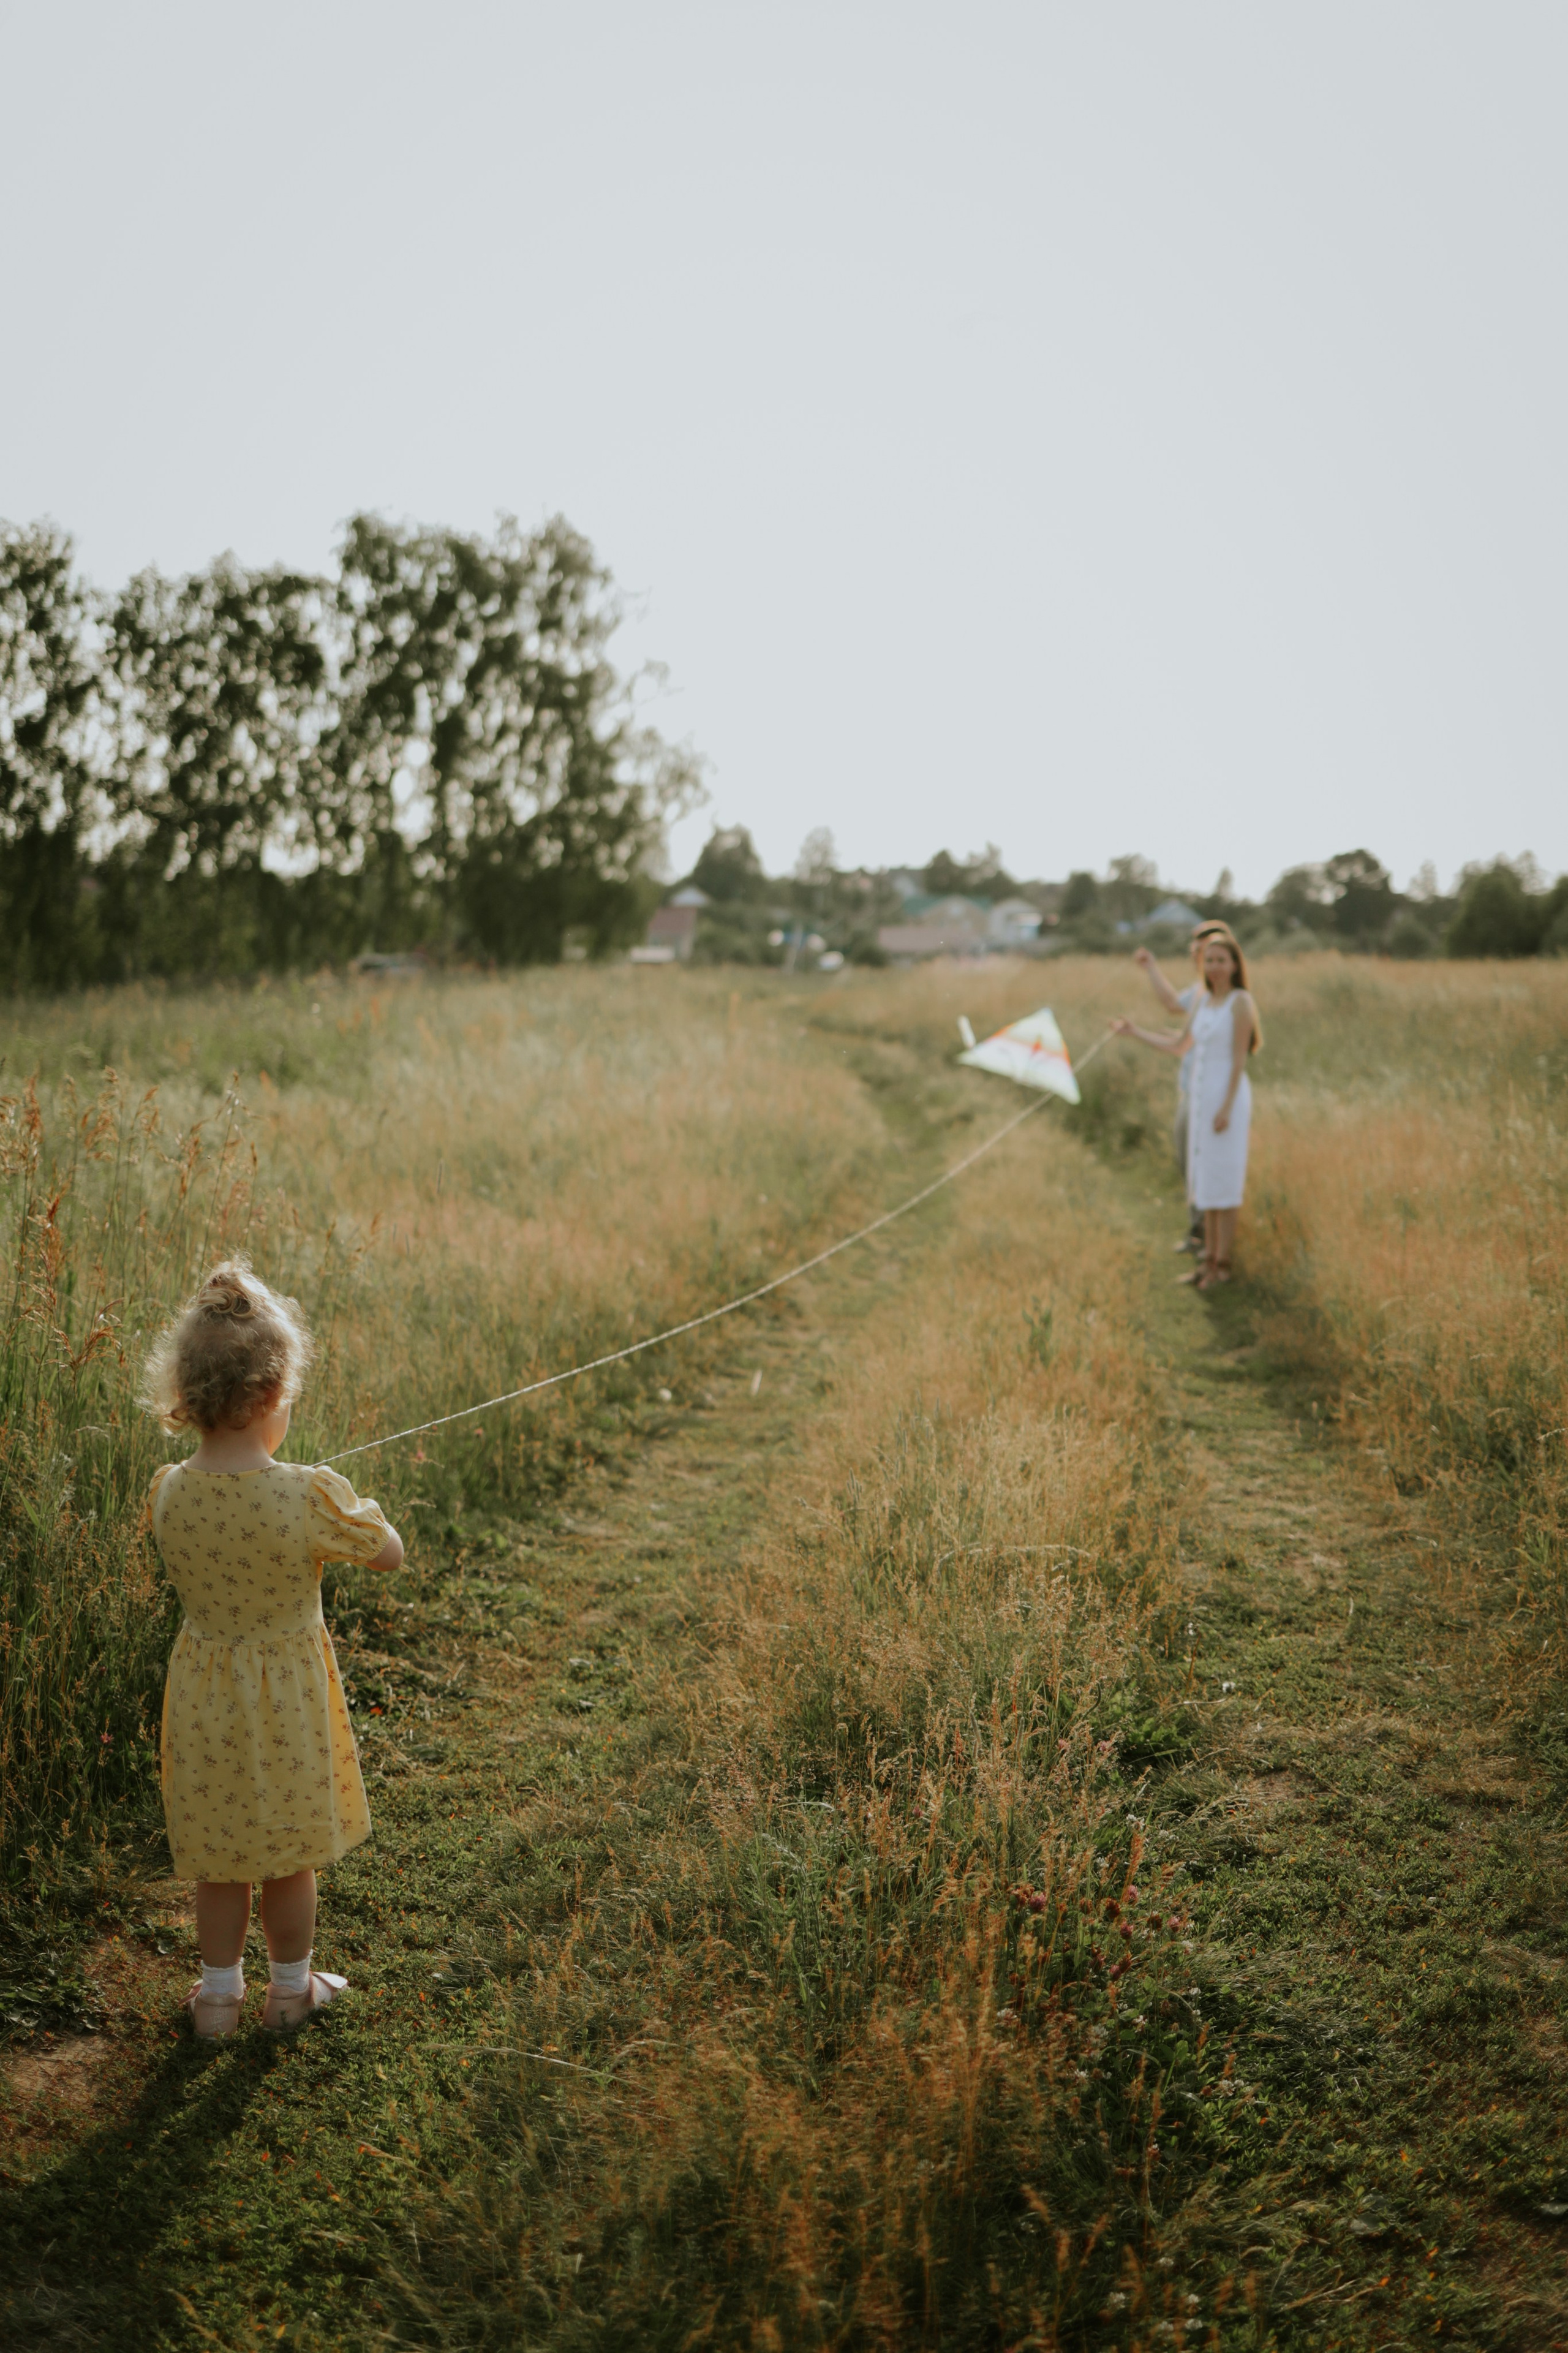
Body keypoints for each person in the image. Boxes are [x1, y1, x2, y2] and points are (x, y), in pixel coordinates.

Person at [141, 1261, 404, 2038]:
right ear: (268, 1398)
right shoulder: (308, 1494)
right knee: (290, 1854)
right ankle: (291, 1991)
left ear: (188, 1400)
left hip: (203, 1696)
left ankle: (218, 1998)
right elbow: (388, 1551)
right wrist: (355, 1503)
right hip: (286, 1698)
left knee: (220, 1858)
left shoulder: (167, 1491)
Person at [1112, 931, 1261, 1289]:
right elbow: (1180, 1046)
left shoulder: (1241, 1002)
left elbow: (1240, 1060)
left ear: (1235, 964)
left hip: (1227, 1099)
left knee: (1225, 1183)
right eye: (1209, 961)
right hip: (1200, 1097)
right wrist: (1136, 1033)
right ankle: (1207, 1262)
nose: (1214, 967)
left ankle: (1223, 1265)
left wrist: (1225, 1107)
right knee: (1205, 1183)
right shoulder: (1203, 1001)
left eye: (1221, 960)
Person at [1132, 923, 1238, 1253]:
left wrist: (1226, 1105)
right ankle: (1201, 1235)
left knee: (1203, 1165)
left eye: (1205, 950)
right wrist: (1151, 969)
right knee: (1187, 1159)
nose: (1198, 954)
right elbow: (1176, 1020)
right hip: (1192, 1088)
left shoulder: (1232, 998)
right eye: (1197, 950)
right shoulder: (1200, 993)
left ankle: (1211, 1245)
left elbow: (1236, 1055)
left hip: (1212, 1095)